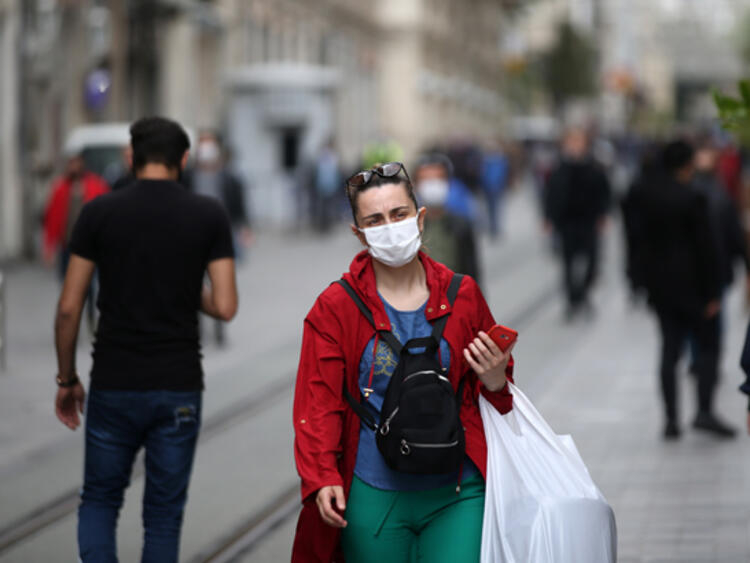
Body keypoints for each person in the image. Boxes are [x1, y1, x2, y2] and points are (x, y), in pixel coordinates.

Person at [291, 162, 515, 562]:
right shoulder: (335, 307)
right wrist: (321, 476)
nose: (390, 227)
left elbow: (496, 396)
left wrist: (497, 379)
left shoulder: (463, 294)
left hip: (458, 492)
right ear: (358, 234)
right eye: (374, 220)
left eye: (399, 214)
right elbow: (318, 402)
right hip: (372, 496)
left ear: (420, 217)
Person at [53, 116, 238, 562]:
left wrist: (66, 380)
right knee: (163, 515)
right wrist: (183, 284)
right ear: (186, 159)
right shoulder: (208, 215)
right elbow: (225, 306)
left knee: (99, 500)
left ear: (131, 157)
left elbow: (68, 307)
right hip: (178, 385)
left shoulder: (98, 212)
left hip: (114, 382)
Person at [632, 140, 734, 439]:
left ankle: (671, 419)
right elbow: (706, 248)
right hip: (694, 290)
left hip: (662, 290)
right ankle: (704, 411)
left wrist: (642, 282)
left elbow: (638, 243)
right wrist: (714, 292)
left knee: (669, 351)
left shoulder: (646, 196)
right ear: (687, 165)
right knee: (707, 348)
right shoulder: (693, 198)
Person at [184, 131, 252, 347]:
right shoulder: (188, 176)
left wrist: (244, 227)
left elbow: (239, 202)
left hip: (221, 235)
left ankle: (220, 327)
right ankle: (196, 329)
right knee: (193, 282)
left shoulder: (228, 176)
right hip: (193, 235)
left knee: (220, 282)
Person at [544, 128, 611, 320]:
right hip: (566, 223)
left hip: (588, 222)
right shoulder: (559, 169)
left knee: (591, 263)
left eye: (578, 142)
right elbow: (550, 195)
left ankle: (583, 293)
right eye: (571, 143)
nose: (574, 147)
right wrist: (548, 217)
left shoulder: (595, 168)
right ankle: (572, 300)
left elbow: (605, 192)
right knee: (567, 264)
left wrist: (603, 214)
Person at [43, 152, 110, 330]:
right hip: (67, 245)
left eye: (76, 163)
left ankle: (88, 314)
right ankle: (73, 316)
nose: (74, 167)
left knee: (89, 285)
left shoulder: (95, 184)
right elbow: (52, 218)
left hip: (91, 245)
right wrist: (49, 247)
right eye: (71, 163)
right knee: (66, 282)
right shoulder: (60, 188)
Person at [414, 153, 482, 285]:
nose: (433, 185)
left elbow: (472, 270)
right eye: (426, 180)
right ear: (416, 185)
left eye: (438, 178)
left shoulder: (461, 225)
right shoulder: (410, 227)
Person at [481, 141, 510, 238]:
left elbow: (503, 174)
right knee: (490, 209)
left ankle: (495, 227)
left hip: (497, 188)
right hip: (488, 188)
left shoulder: (500, 160)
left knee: (496, 208)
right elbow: (483, 174)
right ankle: (492, 227)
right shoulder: (486, 161)